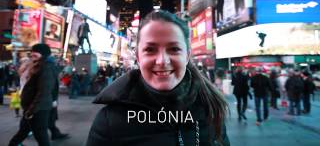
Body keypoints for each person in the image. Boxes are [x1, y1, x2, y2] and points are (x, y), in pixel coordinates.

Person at [86, 10, 229, 145]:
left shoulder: (210, 109)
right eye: (150, 49)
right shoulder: (109, 122)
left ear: (187, 56)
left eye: (174, 49)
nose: (162, 61)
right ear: (138, 57)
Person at [9, 44, 56, 146]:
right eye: (32, 52)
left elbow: (43, 92)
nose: (33, 54)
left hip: (38, 108)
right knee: (25, 132)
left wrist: (31, 110)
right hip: (32, 107)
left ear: (43, 54)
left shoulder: (45, 67)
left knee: (41, 136)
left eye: (36, 52)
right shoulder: (37, 65)